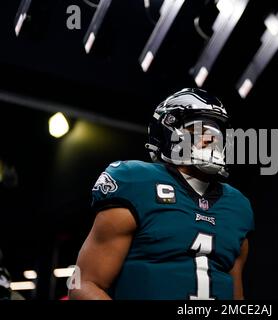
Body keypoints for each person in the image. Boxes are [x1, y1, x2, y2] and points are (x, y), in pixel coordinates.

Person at [69, 88, 255, 300]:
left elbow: (236, 296)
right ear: (169, 132)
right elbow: (83, 284)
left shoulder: (238, 206)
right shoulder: (136, 182)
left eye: (217, 131)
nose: (211, 138)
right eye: (199, 129)